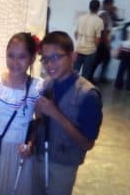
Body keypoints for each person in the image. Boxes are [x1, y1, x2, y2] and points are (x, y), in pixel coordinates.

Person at [33, 31, 103, 195]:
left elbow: (87, 143)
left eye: (56, 57)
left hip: (64, 164)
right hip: (39, 156)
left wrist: (55, 113)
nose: (49, 65)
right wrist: (39, 113)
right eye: (45, 59)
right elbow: (41, 121)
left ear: (73, 57)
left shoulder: (88, 95)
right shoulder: (47, 84)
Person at [0, 32, 44, 195]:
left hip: (20, 148)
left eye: (22, 56)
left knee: (17, 187)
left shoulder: (35, 88)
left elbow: (39, 121)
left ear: (32, 59)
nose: (15, 62)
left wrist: (31, 144)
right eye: (11, 55)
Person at [74, 0, 104, 80]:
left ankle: (70, 89)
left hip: (79, 48)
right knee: (85, 75)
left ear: (89, 7)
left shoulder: (81, 18)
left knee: (74, 72)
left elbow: (75, 34)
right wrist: (96, 48)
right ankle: (82, 91)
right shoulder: (99, 21)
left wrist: (80, 41)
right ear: (98, 8)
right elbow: (97, 39)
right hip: (90, 51)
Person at [90, 0, 115, 83]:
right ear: (106, 4)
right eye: (111, 4)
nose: (112, 6)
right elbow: (103, 29)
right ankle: (93, 77)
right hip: (102, 42)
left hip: (101, 41)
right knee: (99, 60)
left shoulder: (101, 14)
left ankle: (97, 77)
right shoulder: (104, 14)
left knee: (102, 59)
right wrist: (107, 42)